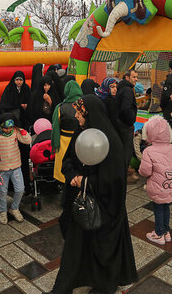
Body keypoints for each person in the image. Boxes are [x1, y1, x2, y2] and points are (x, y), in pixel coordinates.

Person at [46, 94, 137, 294]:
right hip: (83, 203)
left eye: (79, 112)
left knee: (103, 249)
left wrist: (86, 181)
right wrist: (72, 176)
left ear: (89, 113)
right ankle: (62, 288)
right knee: (75, 247)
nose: (76, 116)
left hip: (105, 208)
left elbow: (114, 180)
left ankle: (105, 286)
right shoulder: (81, 133)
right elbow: (68, 160)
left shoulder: (111, 140)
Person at [138, 116, 172, 245]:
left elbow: (145, 171)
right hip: (171, 185)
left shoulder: (149, 151)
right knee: (166, 208)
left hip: (157, 187)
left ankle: (159, 233)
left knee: (158, 208)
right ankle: (166, 231)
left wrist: (142, 173)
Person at [0, 115, 31, 224]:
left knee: (20, 189)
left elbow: (27, 140)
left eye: (10, 127)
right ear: (0, 125)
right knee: (2, 191)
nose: (8, 130)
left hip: (16, 166)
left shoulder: (15, 131)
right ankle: (3, 211)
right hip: (2, 168)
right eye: (6, 128)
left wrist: (22, 130)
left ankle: (14, 208)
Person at [51, 80, 83, 185]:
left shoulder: (60, 107)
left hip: (64, 141)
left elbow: (55, 127)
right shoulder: (83, 105)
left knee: (64, 166)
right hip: (81, 140)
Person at [117, 69, 139, 181]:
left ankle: (122, 171)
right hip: (126, 125)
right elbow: (126, 108)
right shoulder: (127, 90)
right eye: (134, 77)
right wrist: (130, 122)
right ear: (127, 77)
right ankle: (124, 175)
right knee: (126, 151)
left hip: (120, 123)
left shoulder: (121, 88)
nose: (136, 79)